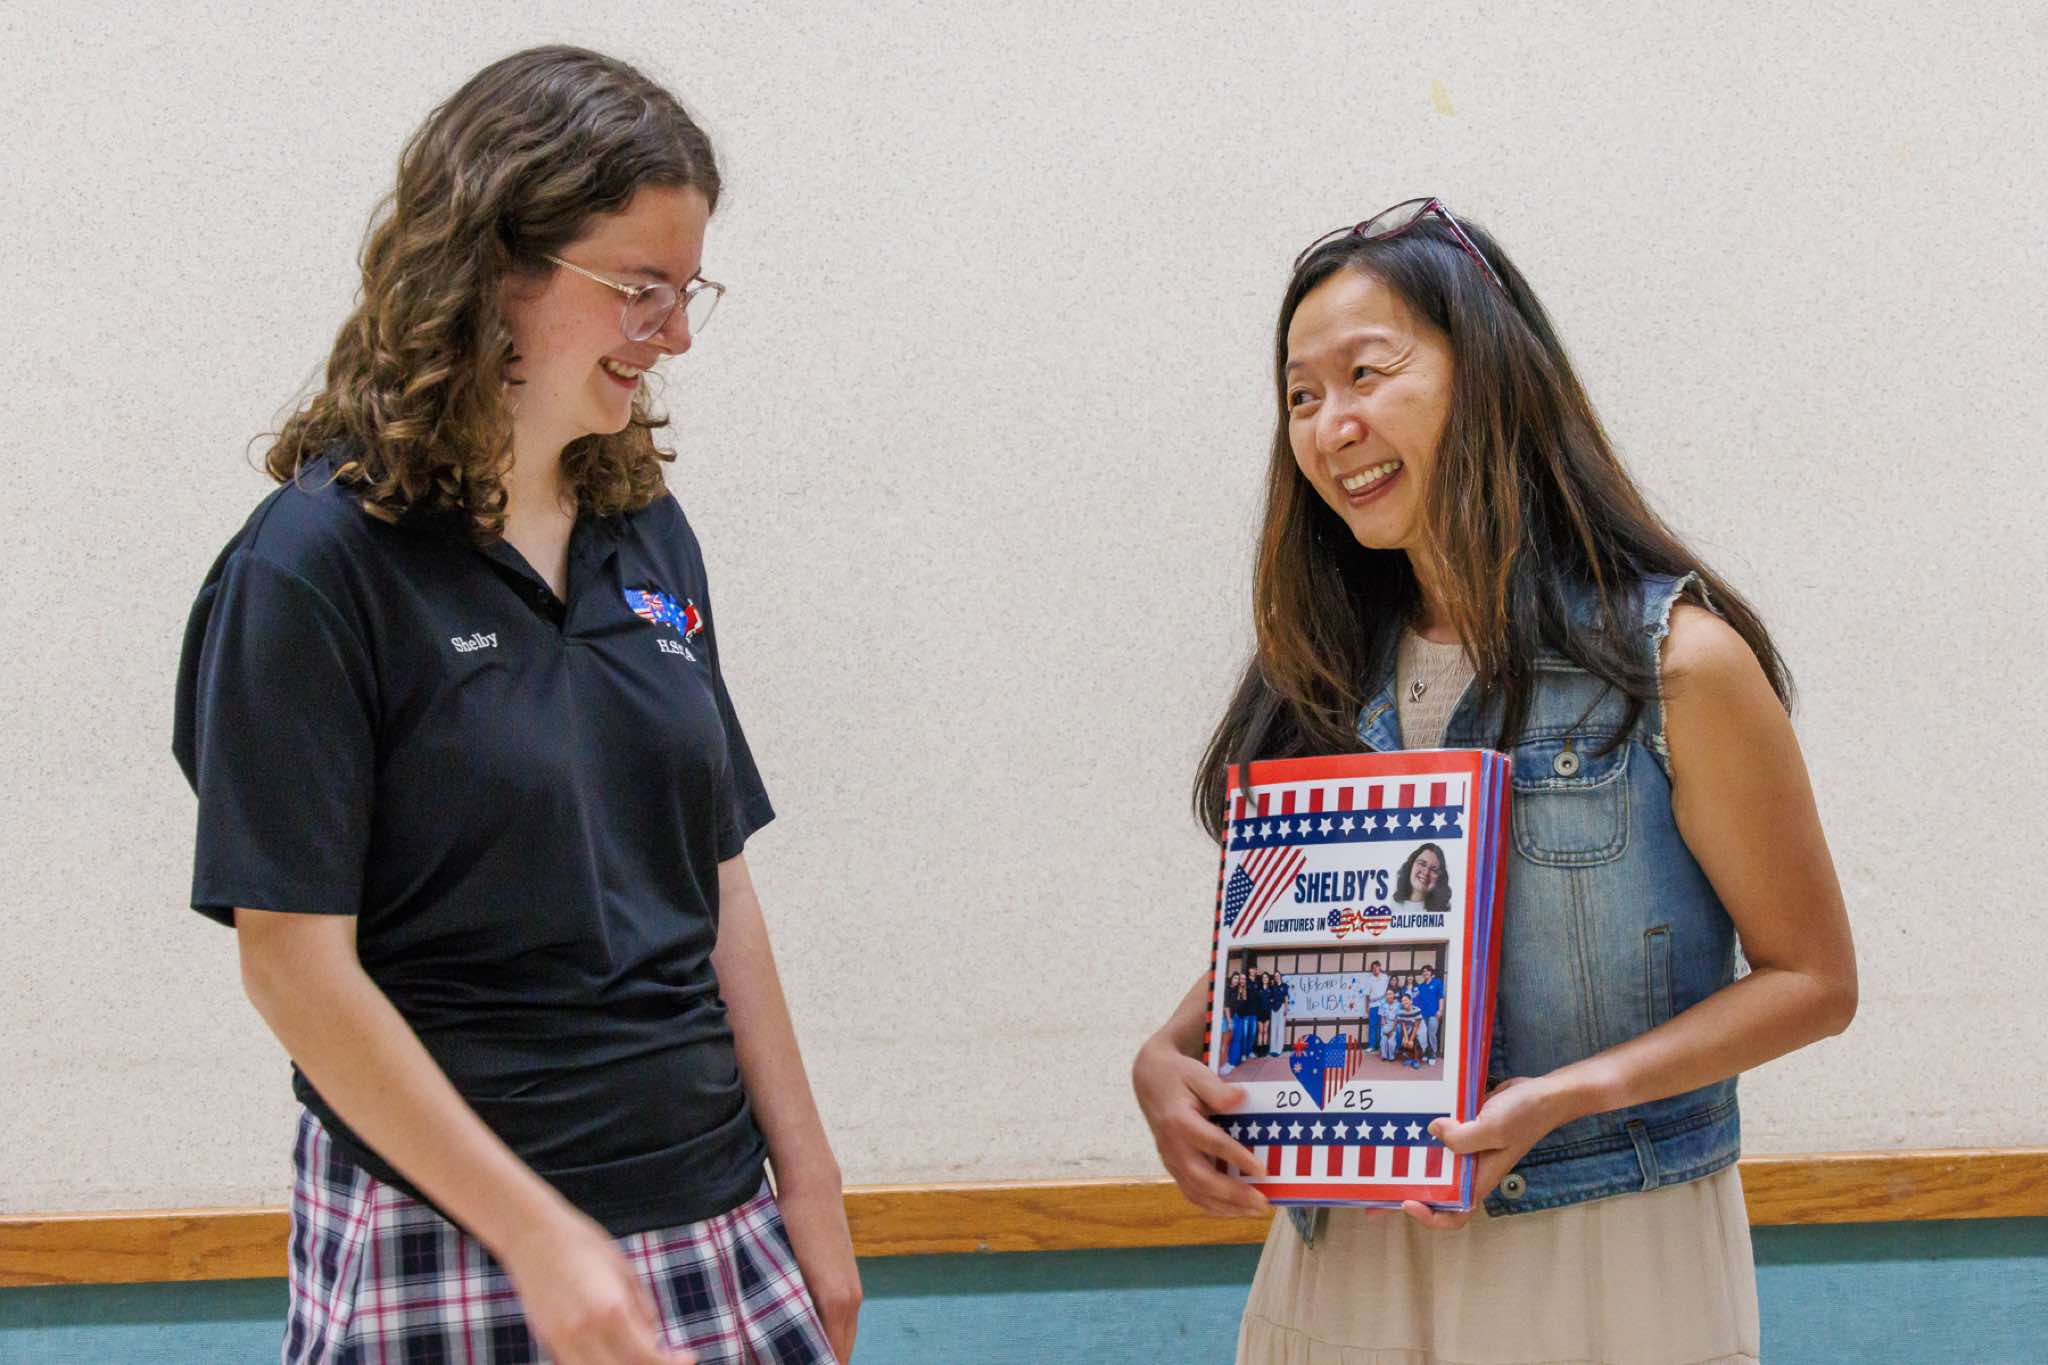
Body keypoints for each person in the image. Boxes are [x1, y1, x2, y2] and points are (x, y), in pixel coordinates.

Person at [172, 47, 857, 1365]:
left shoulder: (647, 529)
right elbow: (292, 965)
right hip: (452, 1228)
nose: (675, 335)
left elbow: (717, 879)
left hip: (709, 1205)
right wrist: (537, 1235)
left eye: (688, 290)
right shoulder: (314, 564)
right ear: (494, 269)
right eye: (639, 290)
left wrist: (812, 1187)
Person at [1130, 197, 1855, 1364]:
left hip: (1599, 1247)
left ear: (1487, 373)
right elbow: (1331, 938)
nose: (1329, 427)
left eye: (1364, 374)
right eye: (1299, 397)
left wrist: (1562, 1098)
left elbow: (1812, 981)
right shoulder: (1320, 670)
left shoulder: (1673, 663)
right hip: (1345, 1249)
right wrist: (1167, 1053)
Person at [1394, 843, 1452, 915]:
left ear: (1440, 878)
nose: (1426, 872)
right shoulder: (1391, 905)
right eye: (1422, 864)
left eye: (1434, 870)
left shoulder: (1443, 913)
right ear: (1411, 865)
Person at [1412, 964, 1446, 1063]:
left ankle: (1432, 1055)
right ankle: (1426, 1053)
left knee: (1432, 1034)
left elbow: (1441, 997)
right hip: (1423, 1015)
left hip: (1433, 1014)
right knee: (1424, 1035)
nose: (1425, 973)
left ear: (1431, 973)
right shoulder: (1421, 986)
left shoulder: (1437, 982)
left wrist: (1440, 1010)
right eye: (1423, 971)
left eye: (1427, 971)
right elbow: (1416, 1000)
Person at [1364, 959, 1390, 1053]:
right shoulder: (1369, 979)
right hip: (1373, 1005)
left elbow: (1388, 990)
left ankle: (1380, 1046)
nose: (1375, 969)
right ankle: (1371, 1045)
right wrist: (1367, 1007)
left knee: (1381, 1026)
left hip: (1383, 1005)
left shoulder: (1385, 977)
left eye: (1377, 967)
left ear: (1380, 967)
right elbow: (1367, 995)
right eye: (1373, 968)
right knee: (1372, 1026)